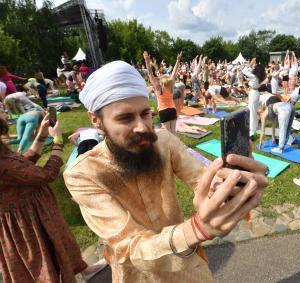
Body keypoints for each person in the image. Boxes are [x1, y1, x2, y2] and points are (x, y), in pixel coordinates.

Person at [63, 60, 269, 282]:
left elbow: (201, 179)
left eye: (145, 114)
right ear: (96, 120)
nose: (142, 127)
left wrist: (231, 187)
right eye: (125, 118)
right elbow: (127, 246)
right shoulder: (83, 173)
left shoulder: (163, 141)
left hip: (187, 266)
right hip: (136, 275)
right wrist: (197, 229)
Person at [0, 107, 98, 282]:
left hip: (33, 211)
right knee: (41, 260)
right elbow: (46, 175)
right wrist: (58, 140)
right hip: (24, 221)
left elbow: (23, 164)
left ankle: (83, 269)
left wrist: (42, 134)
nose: (3, 110)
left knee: (62, 240)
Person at [258, 85, 300, 152]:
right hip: (291, 107)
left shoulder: (264, 115)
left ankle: (280, 148)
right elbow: (273, 126)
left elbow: (262, 130)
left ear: (260, 113)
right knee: (287, 127)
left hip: (284, 109)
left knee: (282, 129)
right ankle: (284, 143)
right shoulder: (272, 110)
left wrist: (260, 142)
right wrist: (273, 138)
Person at [144, 51, 182, 134]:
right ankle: (175, 147)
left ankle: (171, 147)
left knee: (168, 134)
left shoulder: (158, 88)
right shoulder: (170, 86)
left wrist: (147, 62)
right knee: (173, 133)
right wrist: (178, 60)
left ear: (161, 80)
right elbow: (174, 72)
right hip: (172, 110)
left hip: (163, 111)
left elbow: (150, 74)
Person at [243, 59, 267, 138]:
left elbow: (244, 71)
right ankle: (254, 127)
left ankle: (252, 130)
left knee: (252, 111)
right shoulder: (259, 77)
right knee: (253, 110)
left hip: (254, 93)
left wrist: (250, 63)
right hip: (255, 93)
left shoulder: (254, 76)